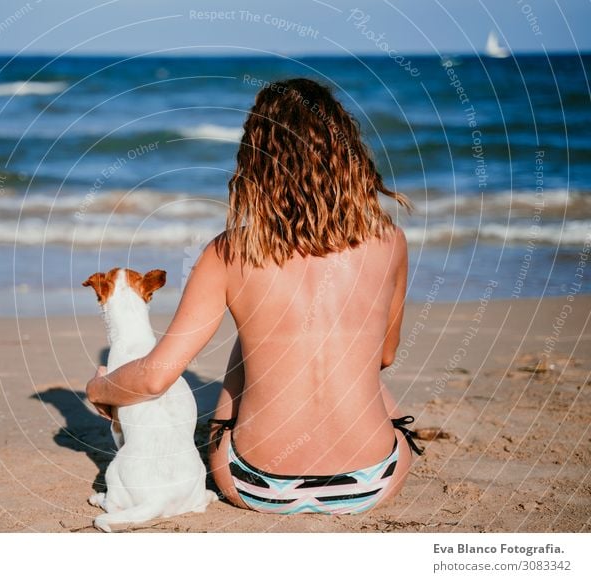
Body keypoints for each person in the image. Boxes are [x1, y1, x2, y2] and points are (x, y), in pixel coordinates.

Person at [86, 78, 422, 515]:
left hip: (257, 485)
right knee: (349, 360)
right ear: (347, 155)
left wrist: (100, 388)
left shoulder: (228, 252)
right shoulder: (390, 240)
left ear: (256, 161)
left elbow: (154, 378)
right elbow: (384, 357)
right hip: (370, 483)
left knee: (258, 334)